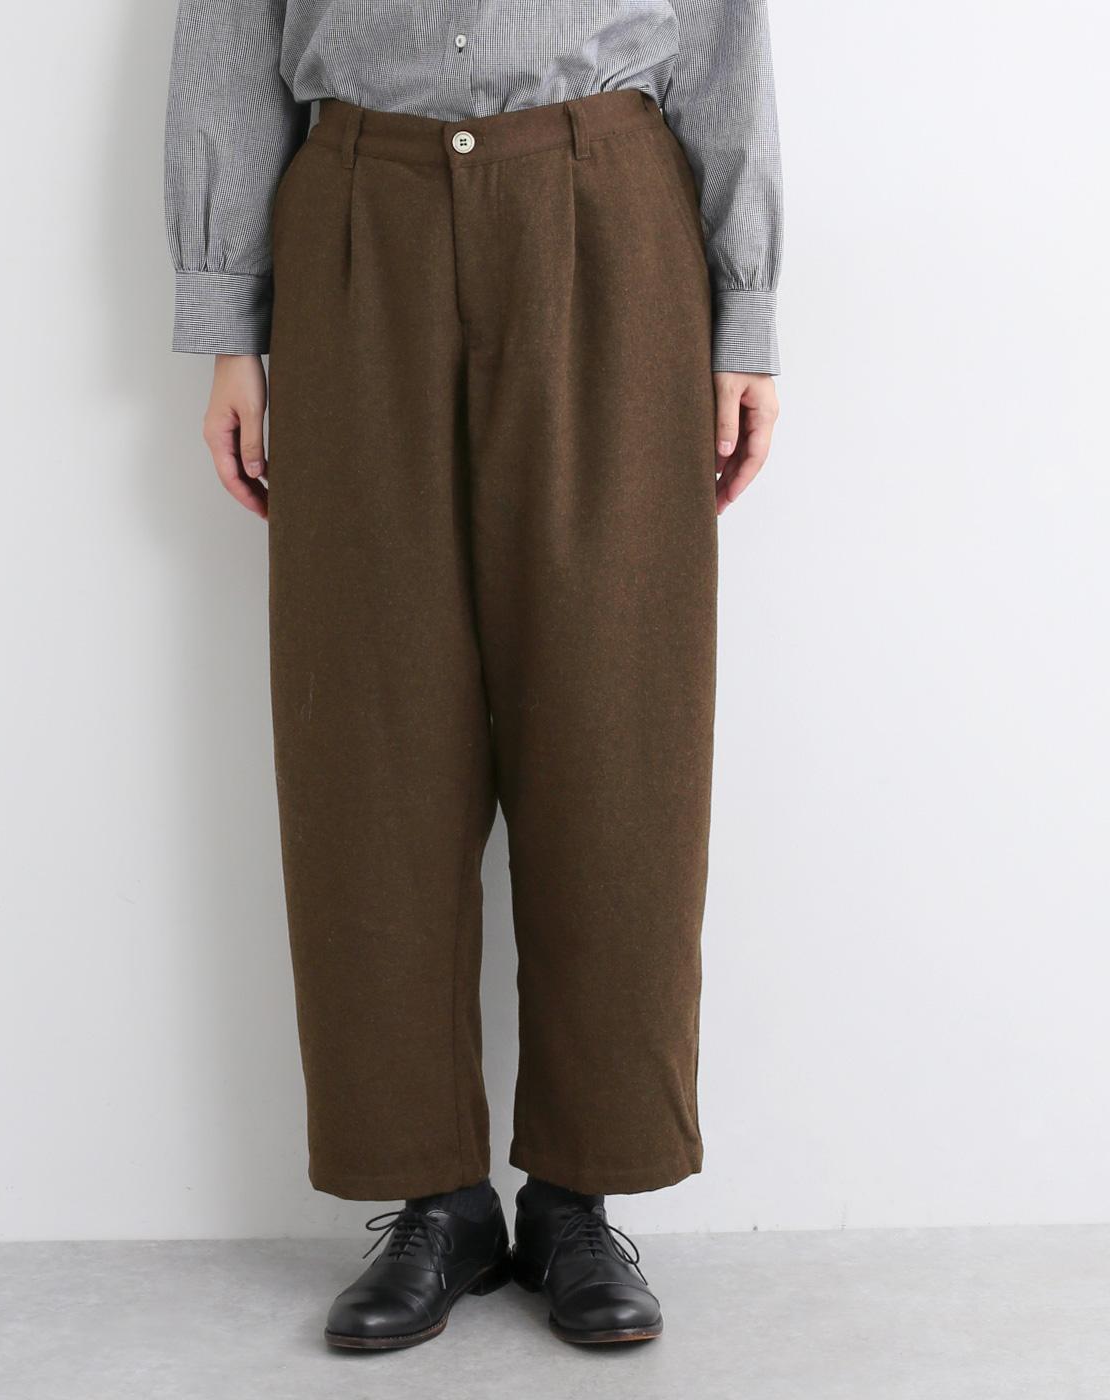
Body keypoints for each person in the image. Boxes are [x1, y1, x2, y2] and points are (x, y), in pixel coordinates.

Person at [164, 0, 782, 1351]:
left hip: (607, 210)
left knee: (617, 712)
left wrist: (746, 316)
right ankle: (434, 1198)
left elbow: (723, 38)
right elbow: (228, 38)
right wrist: (226, 324)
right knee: (367, 719)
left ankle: (578, 1194)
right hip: (356, 219)